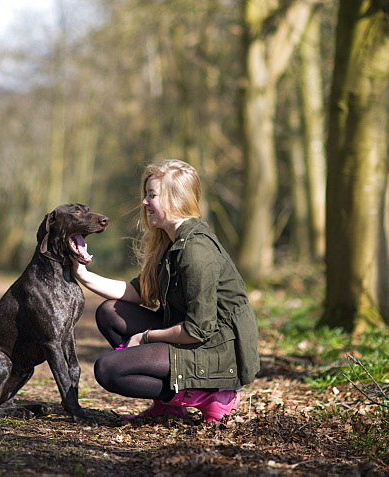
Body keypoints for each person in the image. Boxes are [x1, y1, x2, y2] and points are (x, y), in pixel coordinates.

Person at [74, 159, 260, 423]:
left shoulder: (196, 251)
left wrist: (146, 337)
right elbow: (139, 292)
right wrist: (82, 273)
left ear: (176, 199)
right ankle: (168, 406)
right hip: (196, 338)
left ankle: (209, 395)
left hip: (217, 352)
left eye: (152, 195)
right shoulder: (172, 242)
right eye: (146, 194)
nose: (145, 202)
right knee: (110, 312)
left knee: (109, 370)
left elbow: (198, 330)